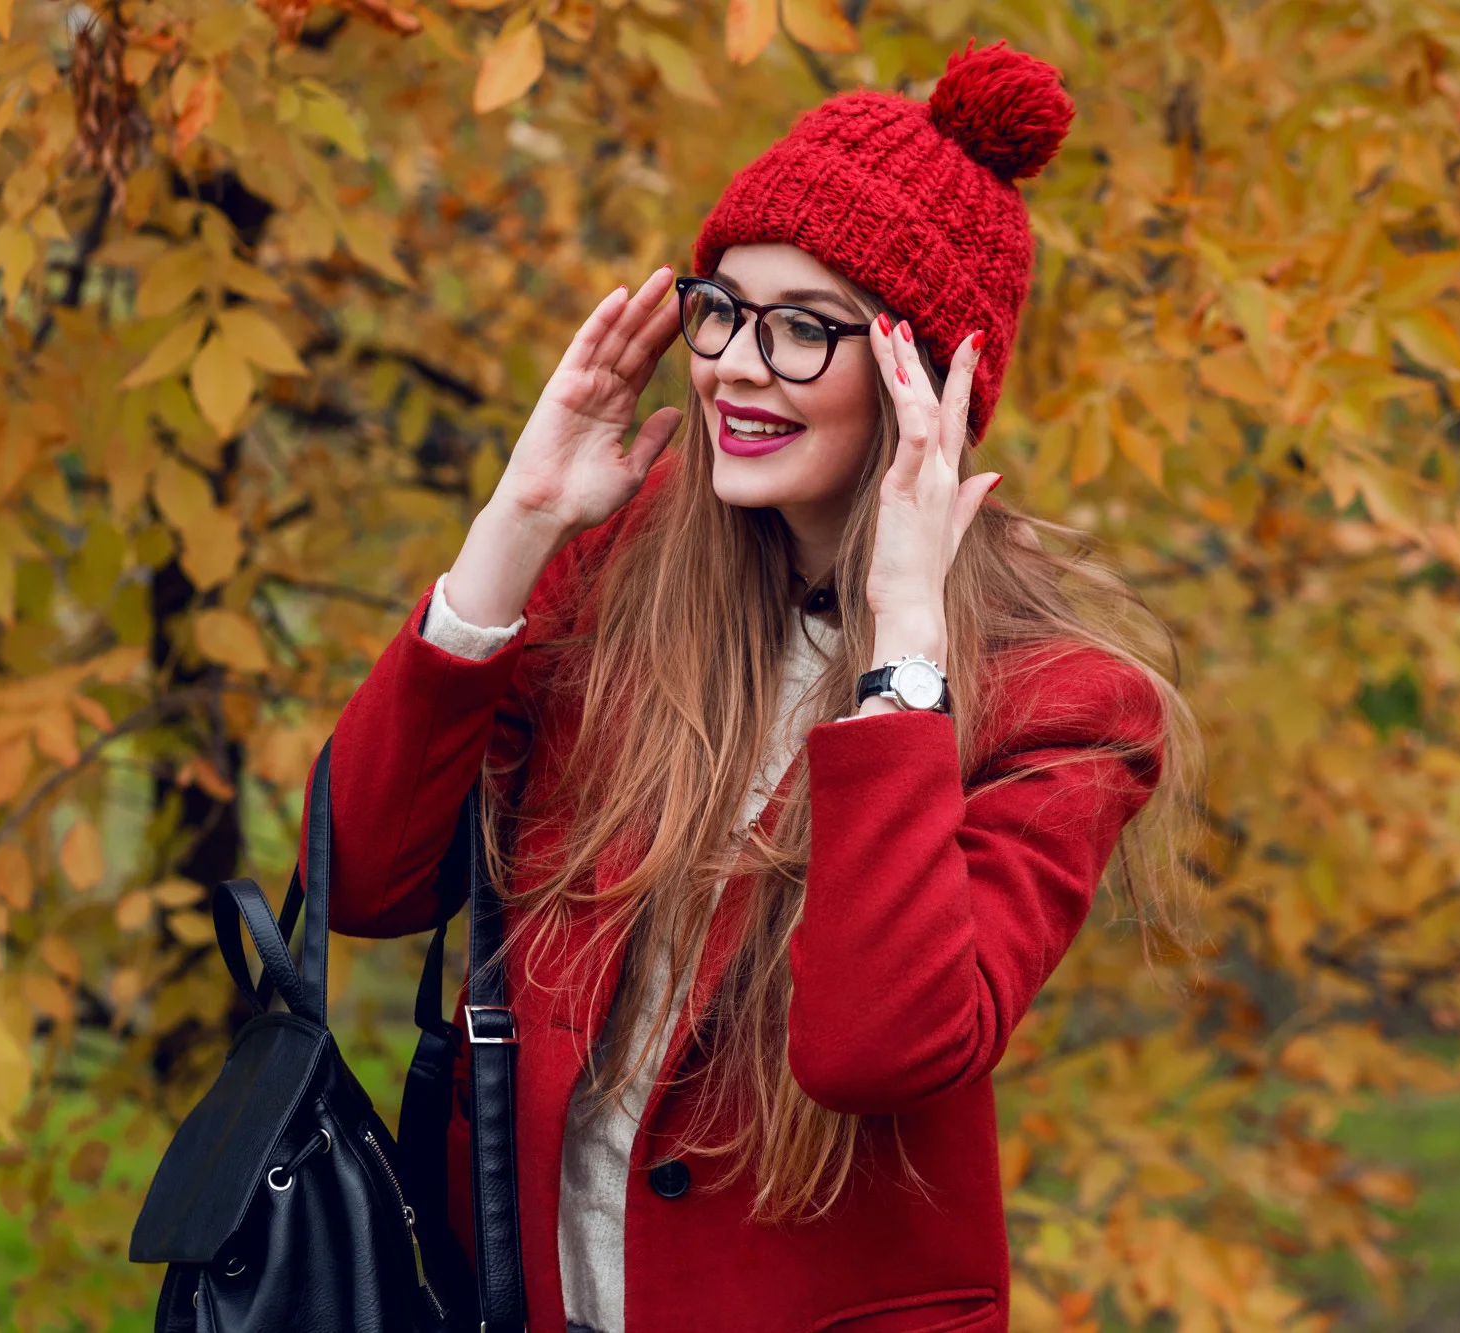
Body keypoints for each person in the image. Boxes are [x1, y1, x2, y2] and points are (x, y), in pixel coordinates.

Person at [315, 39, 1198, 1333]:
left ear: (926, 383)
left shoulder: (1061, 707)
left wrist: (904, 655)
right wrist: (517, 523)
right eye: (722, 310)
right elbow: (362, 878)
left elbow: (875, 1049)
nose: (734, 362)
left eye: (802, 331)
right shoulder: (623, 585)